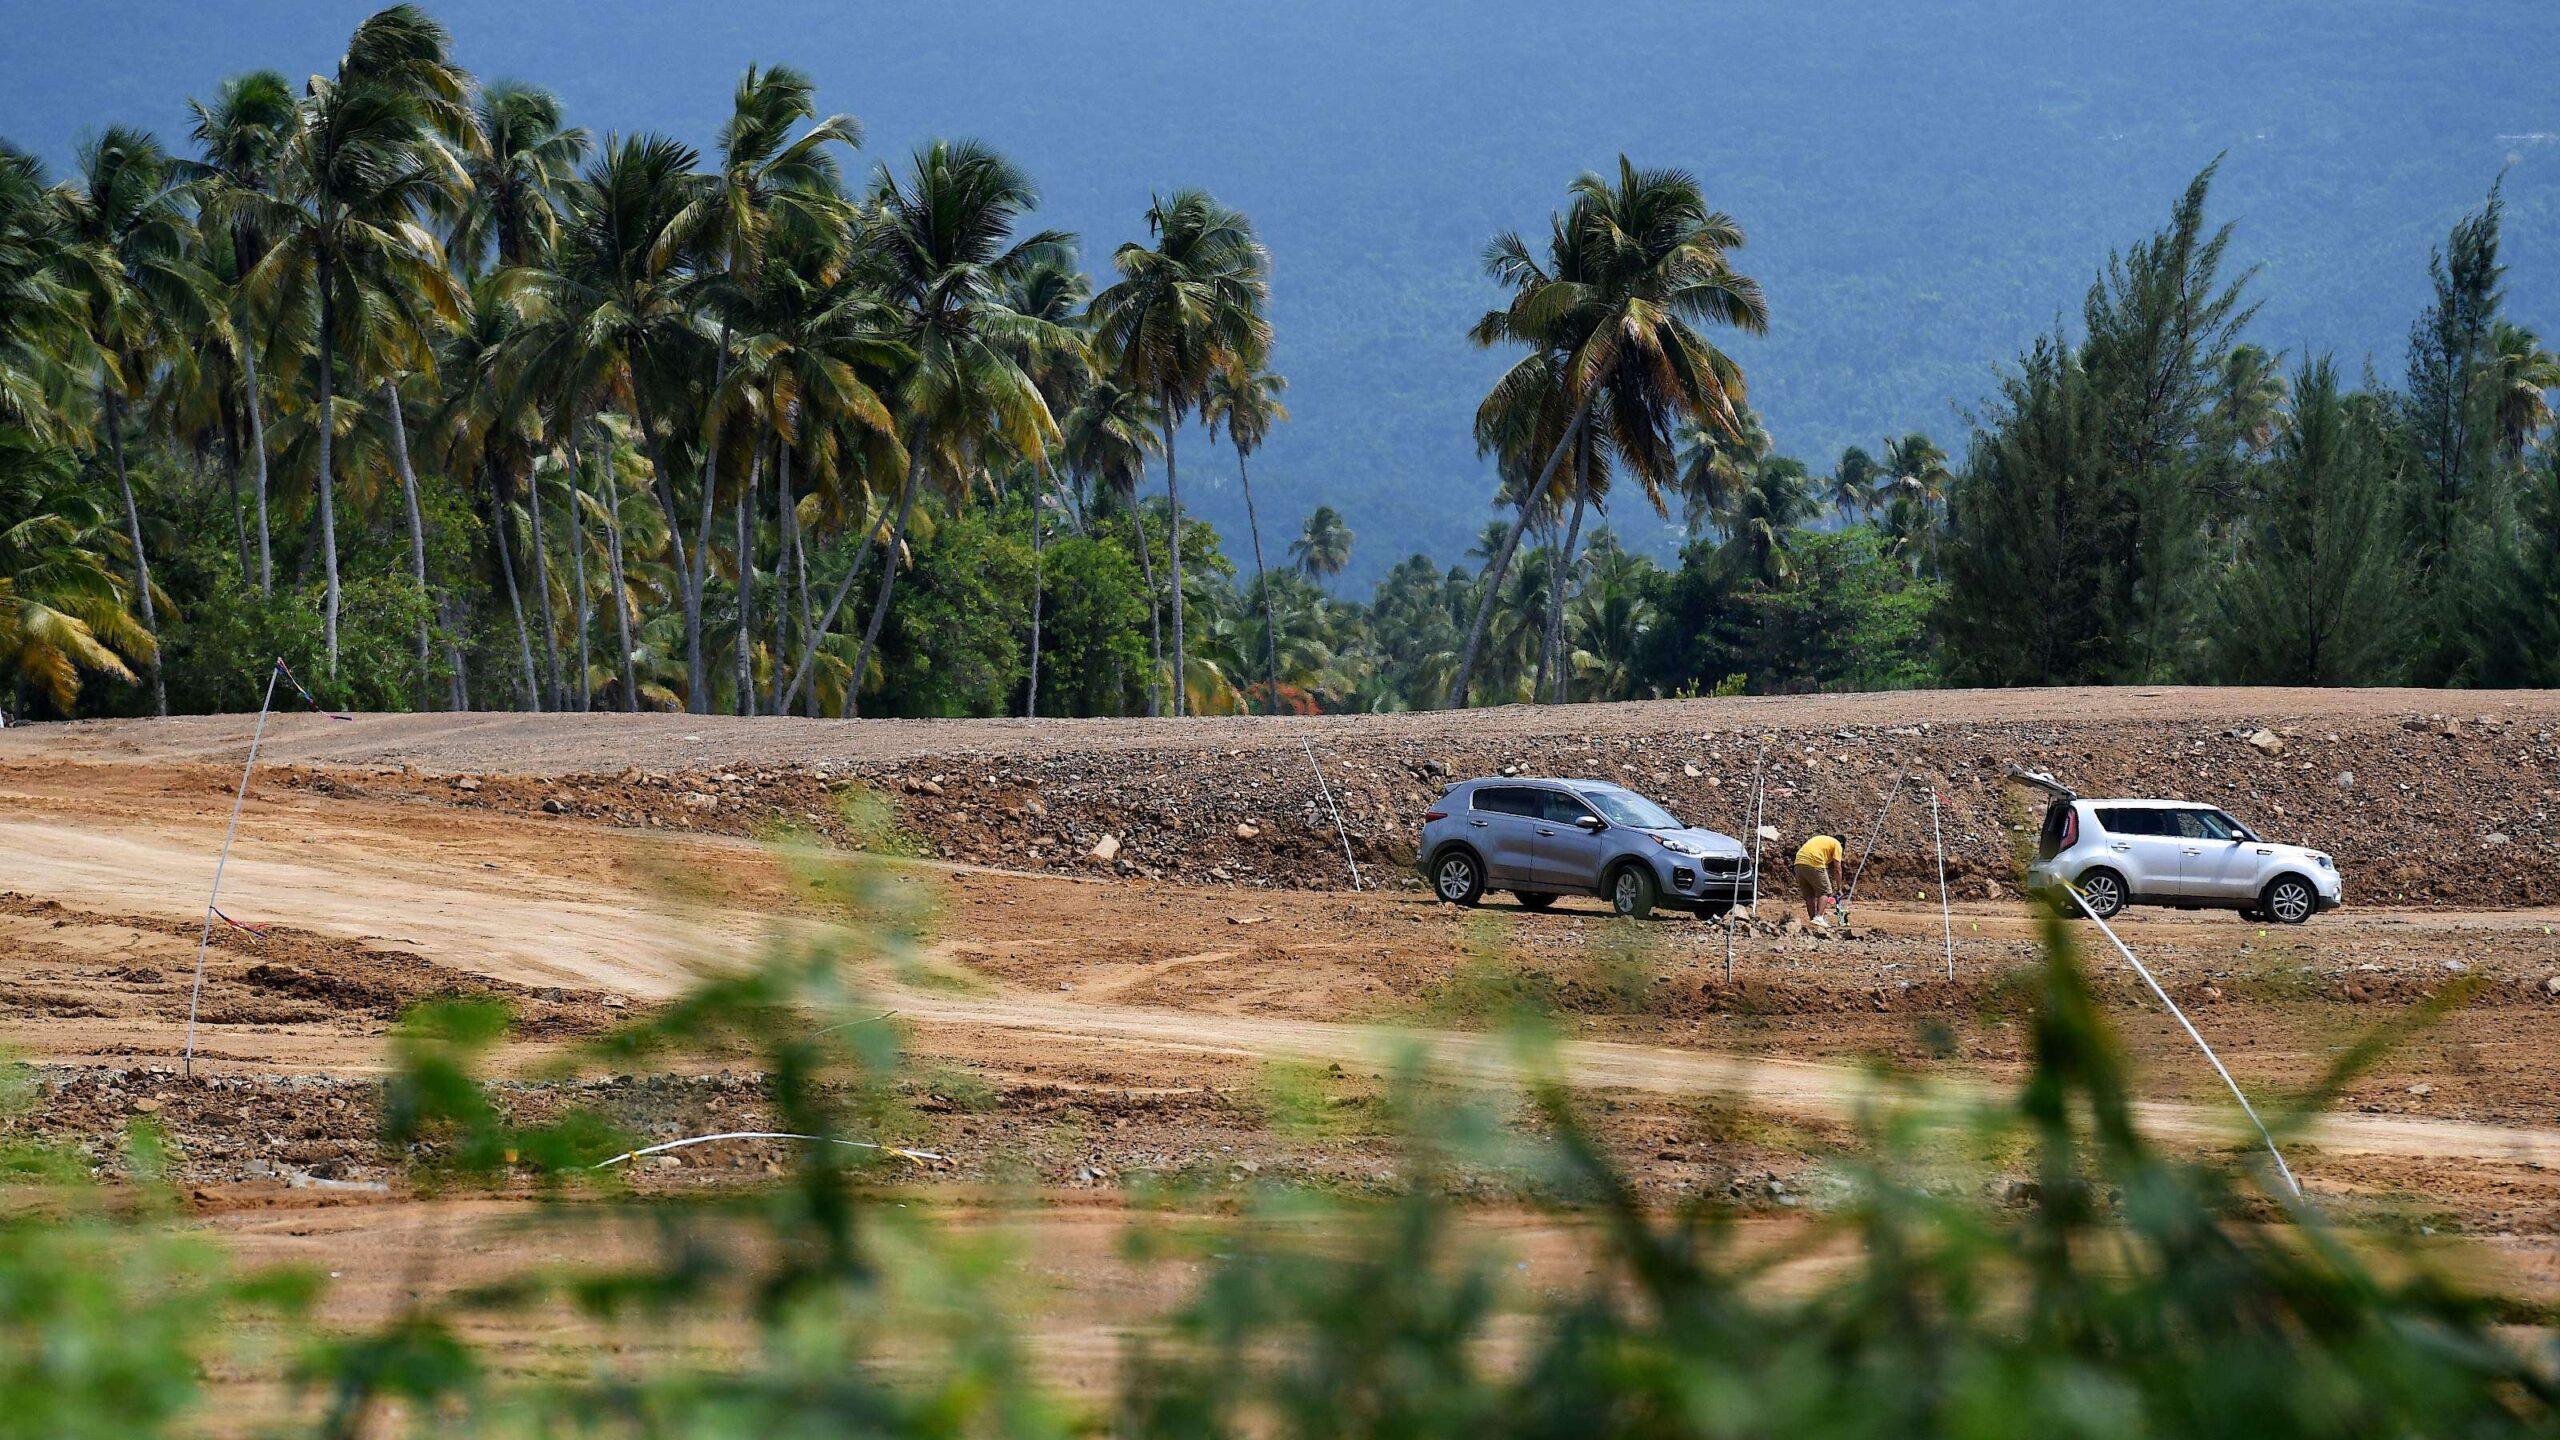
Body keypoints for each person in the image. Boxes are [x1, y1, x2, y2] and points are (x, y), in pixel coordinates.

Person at [1793, 832, 1844, 926]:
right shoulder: (1837, 844)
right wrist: (1839, 888)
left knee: (1809, 895)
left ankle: (1813, 921)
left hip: (1798, 864)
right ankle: (1819, 917)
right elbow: (1838, 869)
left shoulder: (1821, 840)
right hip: (1814, 862)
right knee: (1825, 892)